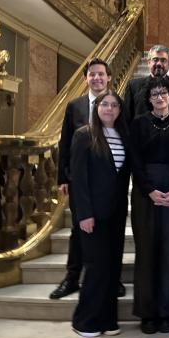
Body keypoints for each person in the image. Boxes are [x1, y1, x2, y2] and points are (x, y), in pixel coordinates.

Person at [51, 58, 125, 300]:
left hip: (110, 186)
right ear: (86, 79)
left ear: (109, 77)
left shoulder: (117, 105)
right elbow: (65, 142)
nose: (97, 78)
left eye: (101, 74)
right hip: (81, 183)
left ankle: (114, 278)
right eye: (92, 74)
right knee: (79, 230)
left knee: (113, 233)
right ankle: (72, 277)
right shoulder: (76, 106)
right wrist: (63, 176)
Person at [129, 76, 169, 334]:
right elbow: (134, 160)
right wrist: (150, 190)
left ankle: (166, 312)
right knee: (146, 252)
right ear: (149, 99)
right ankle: (146, 313)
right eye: (154, 94)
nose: (160, 97)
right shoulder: (138, 124)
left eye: (163, 93)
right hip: (145, 194)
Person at [69, 90, 133, 337]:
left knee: (112, 267)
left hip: (116, 213)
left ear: (119, 110)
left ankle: (107, 319)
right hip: (92, 214)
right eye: (104, 104)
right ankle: (85, 320)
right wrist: (84, 214)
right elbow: (79, 179)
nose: (109, 109)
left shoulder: (123, 136)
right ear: (97, 108)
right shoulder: (84, 135)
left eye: (114, 105)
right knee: (96, 267)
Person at [125, 44, 169, 121]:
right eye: (155, 59)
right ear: (149, 62)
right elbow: (127, 117)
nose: (159, 64)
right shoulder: (133, 86)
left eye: (163, 60)